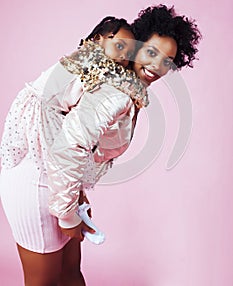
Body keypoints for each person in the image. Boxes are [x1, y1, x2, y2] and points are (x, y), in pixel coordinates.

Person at [0, 16, 146, 286]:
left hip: (52, 172)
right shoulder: (90, 65)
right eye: (120, 45)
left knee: (70, 272)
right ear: (96, 40)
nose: (125, 56)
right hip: (34, 175)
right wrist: (68, 213)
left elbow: (75, 135)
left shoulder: (102, 76)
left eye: (130, 52)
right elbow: (71, 140)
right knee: (45, 279)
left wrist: (75, 195)